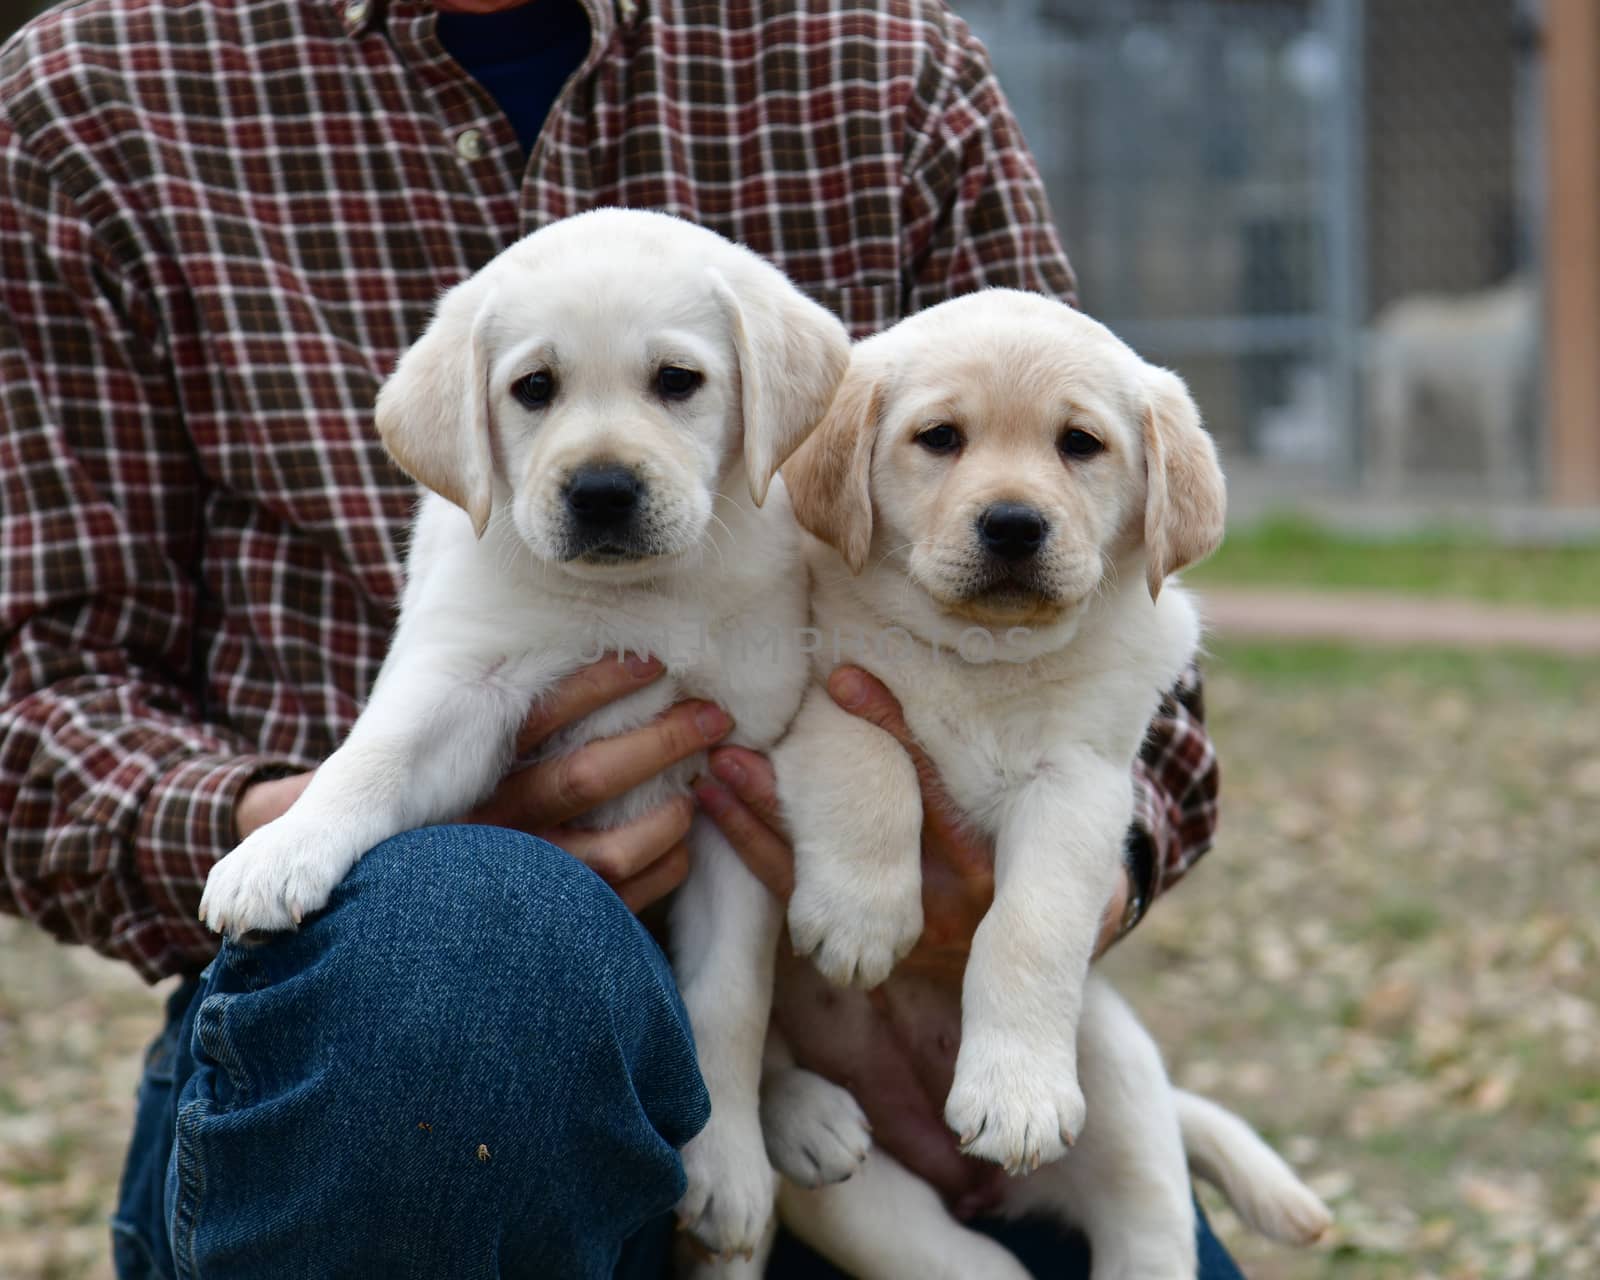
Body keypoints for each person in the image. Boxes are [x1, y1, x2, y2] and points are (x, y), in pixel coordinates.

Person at [0, 0, 1227, 1275]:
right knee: (463, 927)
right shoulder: (98, 91)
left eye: (676, 382)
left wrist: (1001, 906)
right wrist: (307, 827)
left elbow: (1128, 663)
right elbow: (29, 703)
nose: (603, 455)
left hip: (858, 1049)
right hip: (363, 1070)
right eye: (534, 390)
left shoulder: (889, 73)